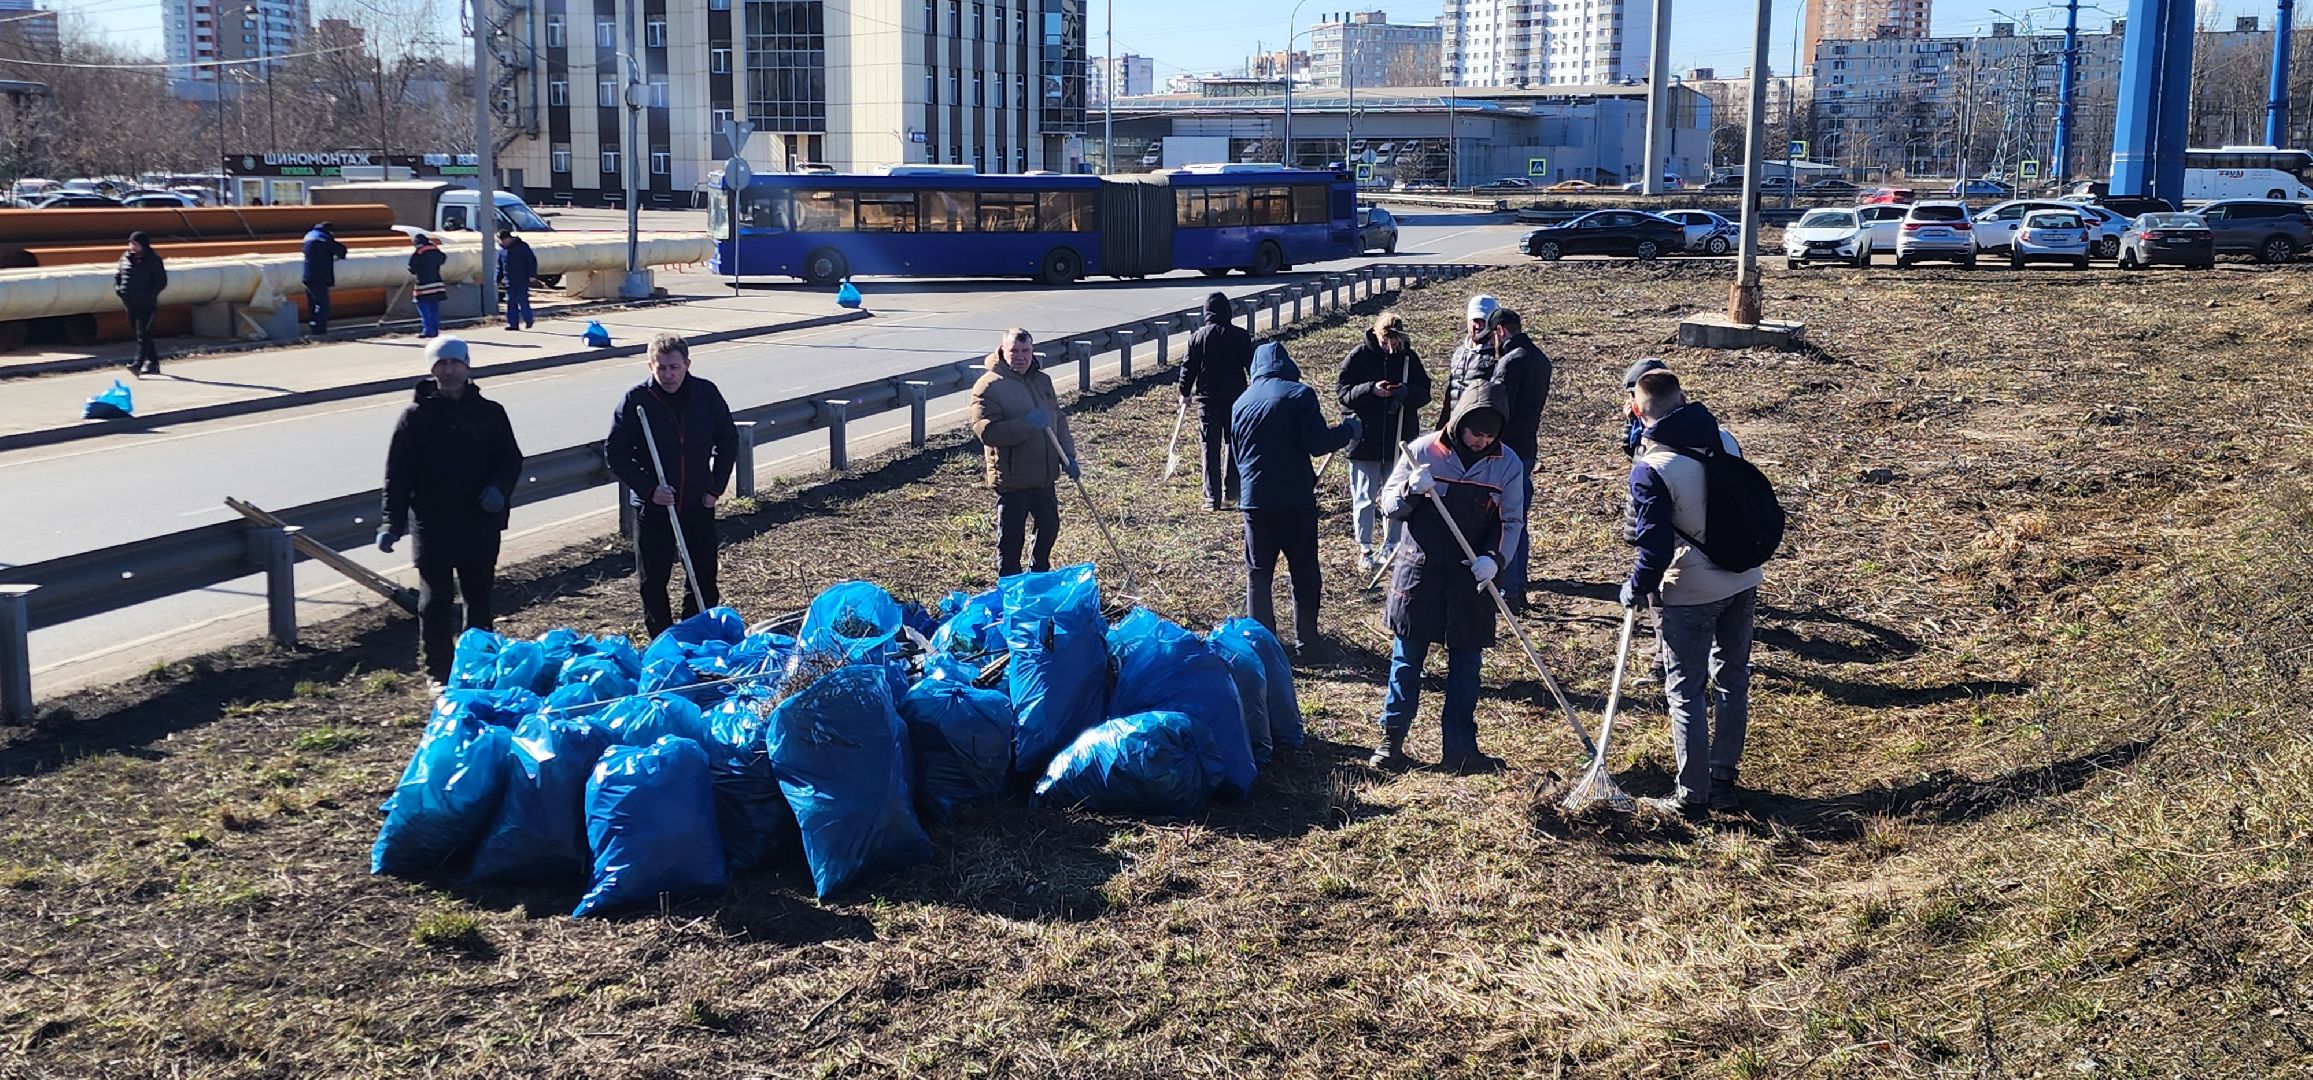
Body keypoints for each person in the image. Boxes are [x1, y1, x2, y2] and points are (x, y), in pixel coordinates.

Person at [1622, 369, 1761, 818]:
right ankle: (1723, 777)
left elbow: (1655, 547)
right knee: (1732, 678)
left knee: (1685, 690)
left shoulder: (1652, 469)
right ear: (1683, 399)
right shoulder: (1725, 438)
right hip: (1743, 577)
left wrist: (1635, 587)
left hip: (1692, 590)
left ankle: (1692, 795)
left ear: (1640, 411)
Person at [1370, 384, 1525, 774]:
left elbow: (1511, 520)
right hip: (1419, 572)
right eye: (1477, 433)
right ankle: (1390, 743)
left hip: (1471, 577)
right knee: (1407, 662)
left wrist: (1495, 559)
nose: (1482, 441)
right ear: (1459, 424)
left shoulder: (1507, 464)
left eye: (1491, 435)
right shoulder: (1422, 452)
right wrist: (1409, 489)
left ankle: (1460, 749)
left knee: (1467, 666)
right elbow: (1386, 503)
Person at [377, 337, 523, 686]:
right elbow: (397, 475)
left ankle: (478, 667)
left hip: (479, 522)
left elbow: (511, 460)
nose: (449, 369)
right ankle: (438, 672)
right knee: (435, 601)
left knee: (479, 598)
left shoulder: (490, 413)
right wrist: (391, 522)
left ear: (467, 365)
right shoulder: (414, 419)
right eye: (441, 363)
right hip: (433, 524)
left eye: (455, 362)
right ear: (431, 369)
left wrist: (498, 490)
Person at [1229, 341, 1360, 657]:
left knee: (1258, 575)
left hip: (1254, 502)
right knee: (1303, 571)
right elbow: (1317, 443)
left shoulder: (1240, 403)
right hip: (1294, 500)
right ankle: (1308, 644)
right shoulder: (1299, 394)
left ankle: (1264, 648)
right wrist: (1348, 430)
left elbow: (1235, 455)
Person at [607, 333, 740, 636]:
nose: (668, 375)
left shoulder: (705, 394)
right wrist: (649, 489)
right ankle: (663, 640)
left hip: (696, 503)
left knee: (703, 576)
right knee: (652, 580)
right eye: (661, 367)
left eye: (674, 367)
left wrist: (714, 489)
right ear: (650, 365)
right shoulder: (636, 400)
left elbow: (728, 440)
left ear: (687, 365)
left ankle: (696, 635)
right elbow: (615, 453)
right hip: (654, 508)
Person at [969, 327, 1078, 577]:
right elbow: (987, 432)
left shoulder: (1042, 380)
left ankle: (1038, 576)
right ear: (1002, 351)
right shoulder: (988, 386)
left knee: (1049, 526)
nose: (1021, 356)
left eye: (1026, 350)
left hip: (1044, 474)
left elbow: (1058, 420)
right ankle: (1010, 585)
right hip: (1013, 477)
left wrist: (1068, 456)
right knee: (1011, 539)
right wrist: (1026, 424)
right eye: (1014, 351)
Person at [1335, 310, 1432, 572]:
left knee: (1396, 495)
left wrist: (1405, 393)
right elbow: (1343, 393)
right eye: (1386, 340)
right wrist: (1370, 390)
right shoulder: (1358, 356)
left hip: (1398, 440)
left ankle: (1392, 544)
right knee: (1365, 497)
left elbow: (1425, 393)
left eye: (1396, 341)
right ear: (1377, 335)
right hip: (1365, 441)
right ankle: (1365, 548)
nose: (1391, 346)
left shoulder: (1409, 359)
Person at [1479, 306, 1551, 611]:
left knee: (1504, 520)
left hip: (1505, 450)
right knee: (1518, 519)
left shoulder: (1510, 363)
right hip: (1527, 447)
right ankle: (1517, 587)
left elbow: (1496, 411)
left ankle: (1508, 589)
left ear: (1499, 331)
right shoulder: (1540, 359)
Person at [1179, 291, 1253, 510]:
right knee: (1234, 444)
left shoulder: (1198, 337)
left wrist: (1184, 392)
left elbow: (1188, 367)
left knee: (1209, 447)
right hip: (1236, 400)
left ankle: (1212, 498)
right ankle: (1232, 494)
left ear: (1206, 313)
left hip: (1207, 401)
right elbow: (1251, 367)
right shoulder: (1241, 336)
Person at [1434, 293, 1498, 430]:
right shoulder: (1459, 352)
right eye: (1475, 320)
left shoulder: (1498, 356)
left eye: (1483, 321)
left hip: (1478, 431)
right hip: (1454, 426)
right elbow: (1450, 393)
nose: (1478, 326)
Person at [113, 232, 166, 377]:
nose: (132, 246)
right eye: (131, 243)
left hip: (146, 303)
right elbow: (119, 275)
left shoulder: (153, 260)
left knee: (143, 333)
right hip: (130, 302)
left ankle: (137, 364)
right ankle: (154, 363)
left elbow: (161, 281)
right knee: (142, 335)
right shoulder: (125, 258)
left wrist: (148, 294)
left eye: (136, 244)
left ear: (143, 245)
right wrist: (119, 289)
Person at [301, 221, 348, 335]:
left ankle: (313, 326)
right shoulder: (324, 237)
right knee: (323, 305)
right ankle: (320, 331)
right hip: (320, 276)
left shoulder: (309, 236)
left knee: (312, 305)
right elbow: (341, 251)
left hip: (307, 276)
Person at [1621, 358, 1670, 457]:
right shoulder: (1640, 421)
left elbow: (1640, 457)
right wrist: (1630, 422)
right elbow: (1633, 453)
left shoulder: (1665, 424)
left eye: (1634, 395)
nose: (1631, 401)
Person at [497, 229, 538, 331]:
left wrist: (532, 275)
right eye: (501, 241)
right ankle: (513, 324)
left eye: (504, 240)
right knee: (511, 302)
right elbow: (500, 266)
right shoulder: (502, 250)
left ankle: (528, 320)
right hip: (509, 281)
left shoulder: (522, 246)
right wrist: (498, 279)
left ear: (509, 238)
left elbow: (531, 261)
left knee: (522, 300)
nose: (503, 242)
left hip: (522, 279)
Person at [408, 233, 448, 339]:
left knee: (423, 308)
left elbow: (412, 268)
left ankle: (428, 330)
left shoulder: (419, 253)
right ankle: (435, 330)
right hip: (437, 283)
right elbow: (443, 259)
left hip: (423, 285)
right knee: (434, 308)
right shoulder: (436, 251)